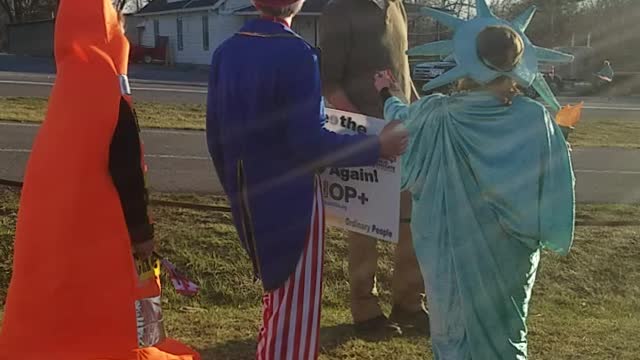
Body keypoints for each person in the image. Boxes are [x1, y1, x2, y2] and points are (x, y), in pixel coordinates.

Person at [205, 0, 408, 358]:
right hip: (293, 202)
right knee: (295, 318)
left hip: (248, 195)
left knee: (277, 304)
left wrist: (237, 190)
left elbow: (214, 137)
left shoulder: (226, 52)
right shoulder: (297, 54)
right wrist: (377, 146)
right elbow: (310, 144)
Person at [372, 2, 576, 358]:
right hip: (511, 249)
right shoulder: (535, 119)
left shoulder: (438, 115)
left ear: (465, 60)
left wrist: (387, 93)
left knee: (453, 329)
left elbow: (402, 123)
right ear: (518, 65)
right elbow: (556, 179)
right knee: (507, 330)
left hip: (450, 246)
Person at [0, 1, 200, 359]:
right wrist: (142, 234)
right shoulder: (109, 92)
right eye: (119, 28)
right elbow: (127, 170)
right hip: (101, 236)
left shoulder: (66, 90)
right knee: (118, 313)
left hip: (54, 232)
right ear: (107, 34)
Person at [319, 0, 428, 337]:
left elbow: (402, 75)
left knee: (412, 223)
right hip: (365, 145)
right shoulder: (340, 11)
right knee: (365, 230)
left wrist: (419, 114)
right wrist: (367, 131)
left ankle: (410, 303)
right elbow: (329, 83)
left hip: (405, 141)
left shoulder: (398, 7)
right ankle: (365, 311)